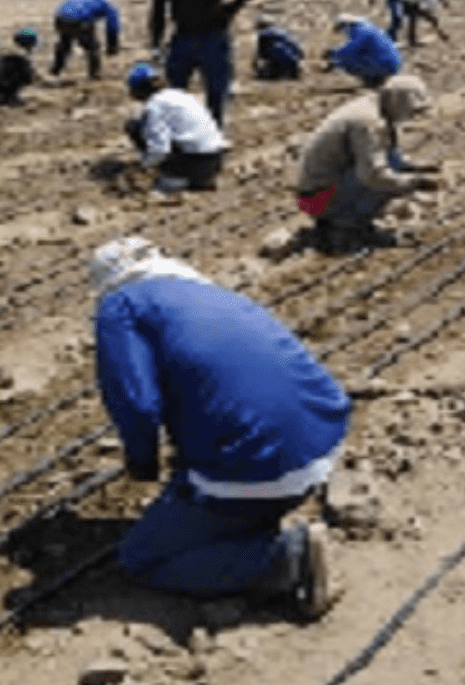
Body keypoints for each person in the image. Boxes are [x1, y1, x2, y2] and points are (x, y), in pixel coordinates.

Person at [88, 236, 347, 619]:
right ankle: (252, 519)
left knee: (140, 558)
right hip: (323, 435)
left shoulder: (119, 305)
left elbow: (136, 402)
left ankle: (288, 559)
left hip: (260, 461)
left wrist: (142, 461)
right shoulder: (204, 291)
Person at [294, 74, 439, 254]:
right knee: (387, 178)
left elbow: (389, 154)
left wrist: (415, 167)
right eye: (412, 111)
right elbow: (373, 175)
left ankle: (343, 219)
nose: (412, 116)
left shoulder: (374, 107)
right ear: (399, 103)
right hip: (318, 198)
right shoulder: (368, 122)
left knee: (392, 166)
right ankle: (345, 226)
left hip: (321, 189)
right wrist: (414, 182)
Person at [148, 0, 261, 125]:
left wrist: (230, 9)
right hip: (182, 38)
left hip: (213, 39)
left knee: (216, 93)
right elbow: (158, 13)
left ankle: (214, 132)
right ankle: (179, 132)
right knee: (174, 93)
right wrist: (155, 44)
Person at [123, 63, 229, 192]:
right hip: (215, 160)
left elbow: (160, 149)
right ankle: (201, 179)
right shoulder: (178, 94)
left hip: (196, 163)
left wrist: (141, 167)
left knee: (134, 126)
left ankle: (175, 179)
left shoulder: (154, 106)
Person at [51, 0, 122, 81]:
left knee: (65, 43)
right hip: (77, 19)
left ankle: (55, 69)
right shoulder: (110, 7)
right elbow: (113, 26)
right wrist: (112, 46)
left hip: (59, 17)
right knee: (93, 47)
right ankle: (94, 74)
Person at [323, 15, 402, 88]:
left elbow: (350, 51)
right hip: (391, 63)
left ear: (346, 25)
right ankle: (375, 81)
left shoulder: (363, 32)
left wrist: (332, 55)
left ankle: (373, 81)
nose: (342, 33)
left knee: (350, 62)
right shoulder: (368, 28)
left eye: (340, 29)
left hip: (387, 64)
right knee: (358, 58)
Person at [384, 0, 450, 47]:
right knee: (397, 19)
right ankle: (387, 41)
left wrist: (439, 31)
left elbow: (423, 11)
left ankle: (411, 40)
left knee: (413, 15)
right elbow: (429, 15)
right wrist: (440, 31)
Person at [251, 14, 305, 81]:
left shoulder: (262, 35)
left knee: (262, 74)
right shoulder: (283, 31)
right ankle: (291, 72)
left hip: (279, 64)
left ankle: (278, 72)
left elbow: (257, 54)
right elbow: (299, 49)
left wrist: (256, 68)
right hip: (295, 63)